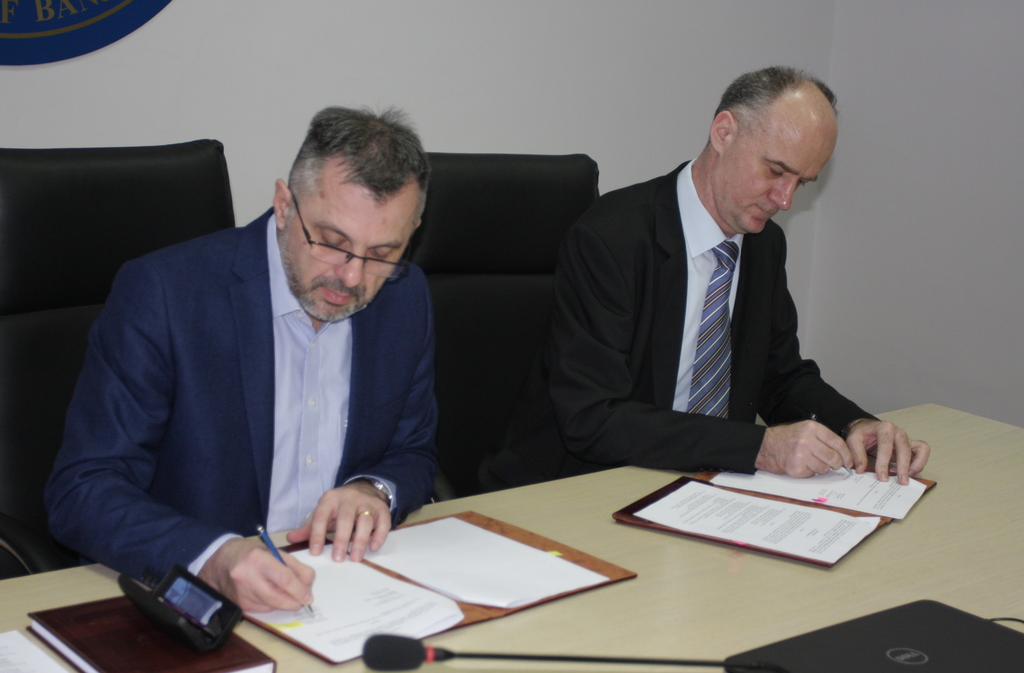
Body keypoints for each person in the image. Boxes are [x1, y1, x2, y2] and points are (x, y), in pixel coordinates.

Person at [46, 106, 437, 613]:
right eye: (331, 242)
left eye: (382, 253)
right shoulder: (165, 294)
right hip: (192, 600)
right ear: (283, 205)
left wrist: (374, 490)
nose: (352, 277)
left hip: (344, 590)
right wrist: (212, 556)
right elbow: (84, 490)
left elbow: (413, 452)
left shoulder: (406, 297)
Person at [484, 66, 930, 491]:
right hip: (579, 485)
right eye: (776, 171)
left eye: (802, 182)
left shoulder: (763, 244)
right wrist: (759, 448)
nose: (785, 200)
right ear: (724, 133)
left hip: (702, 487)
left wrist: (854, 424)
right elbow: (593, 418)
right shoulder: (610, 239)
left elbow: (779, 376)